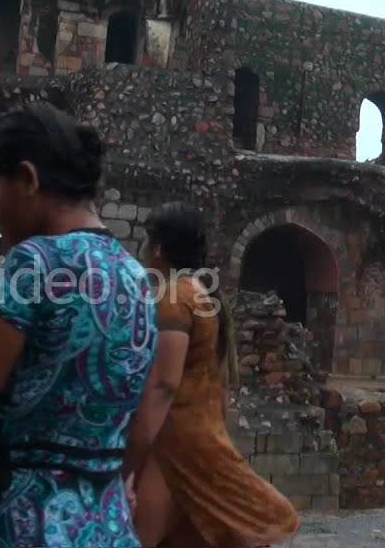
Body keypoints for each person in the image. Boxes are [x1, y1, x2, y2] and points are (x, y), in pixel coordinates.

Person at [0, 102, 156, 547]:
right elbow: (138, 424)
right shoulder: (137, 278)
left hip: (26, 527)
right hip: (107, 527)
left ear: (28, 180)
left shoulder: (34, 265)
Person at [124, 202, 300, 548]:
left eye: (148, 244)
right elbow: (215, 381)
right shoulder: (202, 295)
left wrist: (132, 457)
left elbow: (164, 384)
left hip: (175, 445)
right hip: (200, 436)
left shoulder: (175, 297)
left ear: (158, 248)